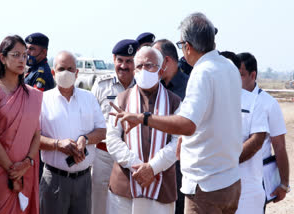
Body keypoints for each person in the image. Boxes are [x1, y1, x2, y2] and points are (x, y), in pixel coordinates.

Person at [110, 12, 243, 214]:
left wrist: (143, 118)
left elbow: (187, 125)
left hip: (205, 184)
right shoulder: (229, 66)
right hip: (229, 180)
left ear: (187, 47)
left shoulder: (202, 72)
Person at [106, 46, 181, 214]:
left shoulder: (175, 102)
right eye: (139, 66)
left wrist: (153, 167)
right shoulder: (122, 99)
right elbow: (112, 139)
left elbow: (178, 141)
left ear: (161, 71)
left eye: (149, 65)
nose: (143, 70)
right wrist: (137, 166)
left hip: (161, 185)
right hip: (125, 186)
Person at [0, 35, 42, 214]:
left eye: (24, 55)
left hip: (25, 172)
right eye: (16, 55)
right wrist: (12, 171)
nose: (22, 60)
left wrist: (27, 163)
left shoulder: (32, 95)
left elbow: (36, 134)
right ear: (2, 58)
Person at [39, 51, 106, 214]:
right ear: (53, 72)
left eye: (70, 69)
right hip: (54, 180)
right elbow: (33, 138)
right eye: (62, 69)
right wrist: (57, 145)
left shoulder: (89, 98)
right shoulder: (42, 100)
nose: (66, 73)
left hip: (83, 181)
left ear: (77, 73)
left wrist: (85, 139)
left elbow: (102, 131)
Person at [90, 39, 139, 214]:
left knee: (128, 204)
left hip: (131, 156)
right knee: (98, 203)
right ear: (113, 59)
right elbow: (90, 121)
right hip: (103, 155)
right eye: (120, 60)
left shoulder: (143, 87)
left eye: (129, 61)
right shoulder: (101, 85)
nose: (124, 66)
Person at [237, 52, 290, 205]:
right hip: (227, 179)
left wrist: (284, 184)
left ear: (253, 75)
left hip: (256, 180)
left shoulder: (268, 103)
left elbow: (279, 146)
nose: (235, 80)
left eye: (240, 75)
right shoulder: (227, 99)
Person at [221, 51, 269, 213]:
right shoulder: (206, 100)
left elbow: (257, 140)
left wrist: (226, 161)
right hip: (212, 190)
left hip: (247, 193)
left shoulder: (254, 102)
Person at [152, 39, 188, 214]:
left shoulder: (191, 88)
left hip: (182, 170)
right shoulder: (152, 87)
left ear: (166, 61)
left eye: (155, 61)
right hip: (154, 167)